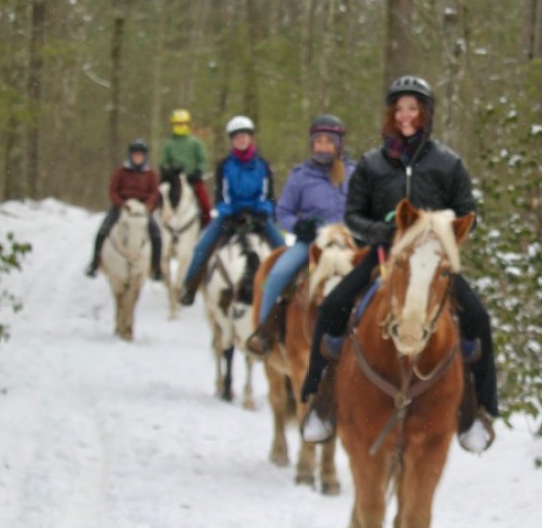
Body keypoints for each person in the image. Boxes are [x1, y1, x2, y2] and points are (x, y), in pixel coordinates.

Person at [298, 76, 499, 453]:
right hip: (381, 257)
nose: (406, 115)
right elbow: (353, 215)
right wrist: (384, 231)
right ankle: (319, 402)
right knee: (331, 308)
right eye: (400, 108)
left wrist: (436, 232)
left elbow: (467, 212)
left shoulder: (448, 163)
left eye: (413, 108)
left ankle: (478, 410)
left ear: (426, 114)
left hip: (431, 262)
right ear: (391, 114)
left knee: (478, 318)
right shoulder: (373, 164)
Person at [245, 114, 356, 356]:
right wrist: (298, 226)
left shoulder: (355, 174)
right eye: (318, 141)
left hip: (348, 245)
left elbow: (364, 209)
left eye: (328, 141)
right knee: (279, 274)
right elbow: (283, 211)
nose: (323, 146)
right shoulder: (301, 175)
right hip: (311, 243)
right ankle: (265, 331)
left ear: (339, 144)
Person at [178, 115, 286, 306]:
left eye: (244, 136)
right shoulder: (224, 165)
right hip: (231, 215)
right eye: (237, 137)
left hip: (257, 215)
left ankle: (289, 288)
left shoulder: (263, 165)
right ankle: (190, 286)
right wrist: (228, 213)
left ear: (250, 138)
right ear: (232, 141)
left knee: (281, 246)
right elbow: (221, 194)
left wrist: (261, 212)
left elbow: (267, 194)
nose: (241, 140)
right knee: (203, 246)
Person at [86, 140, 163, 281]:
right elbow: (113, 190)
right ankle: (94, 262)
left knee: (156, 234)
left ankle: (156, 268)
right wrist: (121, 204)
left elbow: (154, 193)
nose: (138, 158)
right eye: (135, 155)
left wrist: (147, 206)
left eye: (140, 155)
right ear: (130, 156)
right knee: (103, 229)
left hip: (141, 210)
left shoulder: (150, 174)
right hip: (122, 207)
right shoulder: (121, 171)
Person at [159, 108, 213, 227]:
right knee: (160, 196)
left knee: (204, 202)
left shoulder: (195, 143)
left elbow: (202, 159)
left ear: (187, 124)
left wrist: (198, 171)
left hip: (192, 179)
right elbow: (163, 162)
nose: (180, 126)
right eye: (177, 124)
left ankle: (206, 225)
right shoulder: (169, 144)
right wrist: (170, 170)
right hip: (173, 180)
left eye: (182, 124)